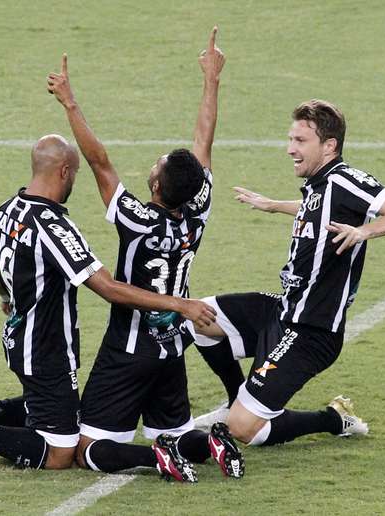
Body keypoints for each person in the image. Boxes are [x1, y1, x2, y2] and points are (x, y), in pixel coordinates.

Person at [0, 134, 217, 472]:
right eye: (75, 173)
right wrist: (180, 305)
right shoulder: (54, 227)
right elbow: (107, 287)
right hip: (47, 345)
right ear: (64, 172)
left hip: (18, 335)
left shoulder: (7, 210)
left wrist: (10, 298)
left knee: (61, 409)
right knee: (60, 453)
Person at [45, 27, 242, 482]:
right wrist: (211, 80)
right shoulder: (199, 210)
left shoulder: (135, 218)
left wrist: (70, 103)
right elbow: (203, 142)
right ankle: (210, 441)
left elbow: (98, 162)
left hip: (128, 351)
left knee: (88, 452)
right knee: (169, 432)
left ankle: (155, 462)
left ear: (155, 186)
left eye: (155, 165)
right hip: (173, 348)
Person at [193, 99, 385, 447]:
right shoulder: (319, 184)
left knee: (242, 430)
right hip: (284, 310)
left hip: (311, 331)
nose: (290, 149)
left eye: (300, 141)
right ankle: (235, 400)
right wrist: (273, 205)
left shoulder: (345, 179)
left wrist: (365, 231)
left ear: (329, 146)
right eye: (291, 139)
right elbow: (319, 209)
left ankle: (333, 419)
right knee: (198, 316)